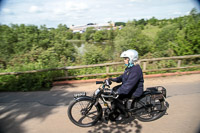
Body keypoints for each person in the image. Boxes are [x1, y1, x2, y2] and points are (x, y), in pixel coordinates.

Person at [108, 49, 144, 120]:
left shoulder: (135, 70)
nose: (124, 60)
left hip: (135, 91)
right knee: (114, 89)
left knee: (116, 98)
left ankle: (125, 113)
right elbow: (123, 77)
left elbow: (128, 85)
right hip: (130, 88)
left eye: (125, 58)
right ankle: (118, 109)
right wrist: (114, 79)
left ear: (131, 59)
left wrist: (118, 92)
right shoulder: (130, 68)